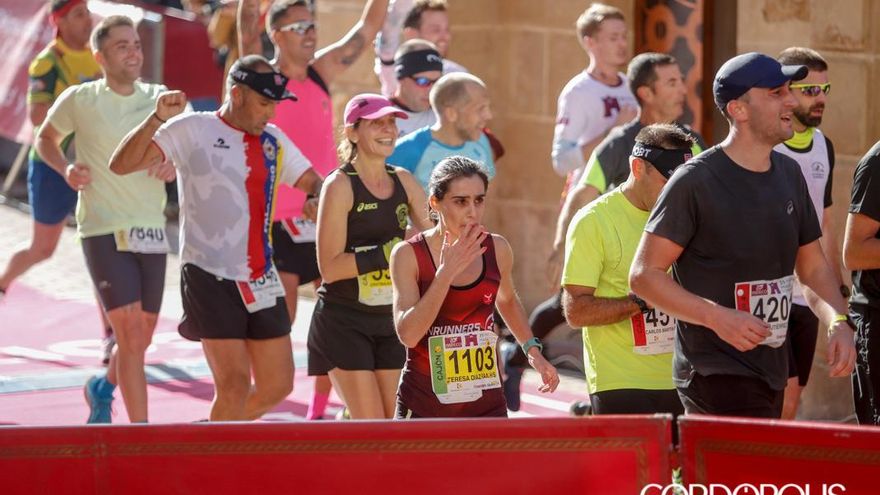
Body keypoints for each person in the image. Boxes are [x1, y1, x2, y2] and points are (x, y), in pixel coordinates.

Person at [629, 52, 856, 419]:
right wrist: (716, 317)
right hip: (713, 371)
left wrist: (838, 320)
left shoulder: (790, 175)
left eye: (789, 91)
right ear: (738, 109)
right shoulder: (695, 181)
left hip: (770, 369)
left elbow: (812, 268)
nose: (791, 101)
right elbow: (644, 276)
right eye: (777, 93)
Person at [109, 55, 323, 421]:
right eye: (264, 103)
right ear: (237, 95)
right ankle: (218, 446)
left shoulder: (273, 139)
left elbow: (314, 182)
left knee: (278, 386)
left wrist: (317, 197)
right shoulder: (192, 128)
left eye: (274, 104)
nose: (271, 113)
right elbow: (121, 165)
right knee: (234, 385)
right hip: (209, 274)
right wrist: (157, 118)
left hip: (261, 276)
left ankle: (209, 434)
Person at [504, 52, 704, 411]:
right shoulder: (616, 146)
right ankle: (517, 359)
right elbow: (582, 192)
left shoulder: (692, 146)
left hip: (684, 376)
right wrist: (560, 245)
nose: (681, 90)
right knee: (556, 307)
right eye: (671, 82)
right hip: (622, 383)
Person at [238, 0, 388, 420]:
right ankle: (252, 400)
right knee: (280, 318)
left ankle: (319, 409)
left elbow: (367, 29)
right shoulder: (264, 80)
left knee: (338, 312)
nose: (310, 33)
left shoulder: (321, 71)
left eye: (312, 25)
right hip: (278, 220)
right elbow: (246, 28)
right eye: (298, 27)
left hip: (326, 215)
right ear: (276, 34)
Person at [35, 15, 175, 424]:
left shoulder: (160, 98)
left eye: (137, 45)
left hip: (151, 229)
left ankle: (102, 387)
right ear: (99, 56)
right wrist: (65, 168)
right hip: (102, 227)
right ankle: (140, 435)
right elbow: (45, 138)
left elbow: (185, 148)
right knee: (128, 335)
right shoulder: (81, 99)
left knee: (140, 338)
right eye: (122, 46)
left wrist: (173, 163)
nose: (133, 53)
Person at [391, 156, 559, 418]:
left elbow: (506, 300)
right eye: (461, 201)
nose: (472, 211)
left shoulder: (497, 248)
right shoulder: (408, 255)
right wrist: (445, 273)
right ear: (435, 203)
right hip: (425, 406)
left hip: (485, 404)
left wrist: (532, 351)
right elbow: (409, 335)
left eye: (479, 200)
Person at [307, 94, 431, 419]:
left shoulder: (403, 180)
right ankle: (351, 423)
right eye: (377, 123)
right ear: (352, 132)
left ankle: (347, 421)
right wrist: (391, 253)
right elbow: (330, 268)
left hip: (390, 321)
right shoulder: (340, 185)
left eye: (391, 122)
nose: (388, 129)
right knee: (373, 425)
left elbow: (436, 238)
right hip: (344, 321)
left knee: (395, 424)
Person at [0, 0, 111, 362]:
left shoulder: (99, 56)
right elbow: (37, 117)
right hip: (53, 166)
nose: (87, 20)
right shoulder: (47, 63)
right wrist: (75, 113)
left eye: (87, 12)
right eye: (78, 14)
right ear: (59, 22)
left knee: (101, 249)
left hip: (92, 167)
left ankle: (111, 334)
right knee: (43, 249)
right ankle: (3, 282)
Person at [562, 124, 693, 415]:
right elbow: (576, 311)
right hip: (621, 383)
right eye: (667, 182)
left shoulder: (688, 215)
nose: (675, 192)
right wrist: (644, 301)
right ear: (638, 168)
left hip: (683, 378)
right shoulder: (593, 220)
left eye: (682, 182)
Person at [772, 47, 844, 420]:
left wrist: (838, 288)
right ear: (786, 91)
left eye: (825, 89)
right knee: (782, 392)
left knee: (794, 394)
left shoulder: (823, 146)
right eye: (811, 91)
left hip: (809, 293)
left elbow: (825, 222)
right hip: (769, 292)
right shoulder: (766, 144)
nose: (821, 99)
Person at [387, 72, 494, 190]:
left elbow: (489, 195)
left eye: (488, 107)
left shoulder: (482, 141)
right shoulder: (407, 149)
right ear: (451, 113)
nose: (489, 115)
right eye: (480, 109)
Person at [374, 0, 466, 96]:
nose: (446, 37)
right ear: (411, 34)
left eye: (447, 29)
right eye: (435, 30)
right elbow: (388, 35)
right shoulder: (396, 67)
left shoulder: (457, 73)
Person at [389, 39, 443, 137]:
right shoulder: (379, 117)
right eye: (423, 81)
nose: (431, 90)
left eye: (437, 82)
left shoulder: (446, 115)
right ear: (401, 78)